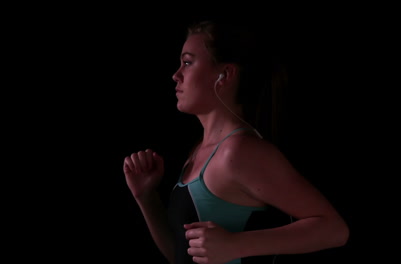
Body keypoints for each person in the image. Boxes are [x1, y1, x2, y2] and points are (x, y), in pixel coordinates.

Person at [123, 19, 349, 264]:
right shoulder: (199, 153)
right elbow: (181, 256)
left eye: (187, 62)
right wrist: (146, 198)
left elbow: (334, 229)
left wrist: (236, 244)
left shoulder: (238, 152)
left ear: (225, 74)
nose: (176, 75)